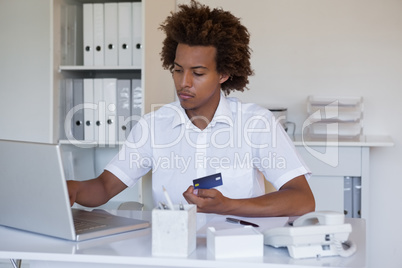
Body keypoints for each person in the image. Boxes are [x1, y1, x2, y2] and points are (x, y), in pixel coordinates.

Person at [67, 0, 315, 217]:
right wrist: (73, 188)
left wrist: (229, 206)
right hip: (170, 249)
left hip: (235, 251)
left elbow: (302, 199)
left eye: (197, 73)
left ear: (224, 73)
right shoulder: (154, 126)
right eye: (177, 70)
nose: (183, 82)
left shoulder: (256, 124)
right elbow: (104, 187)